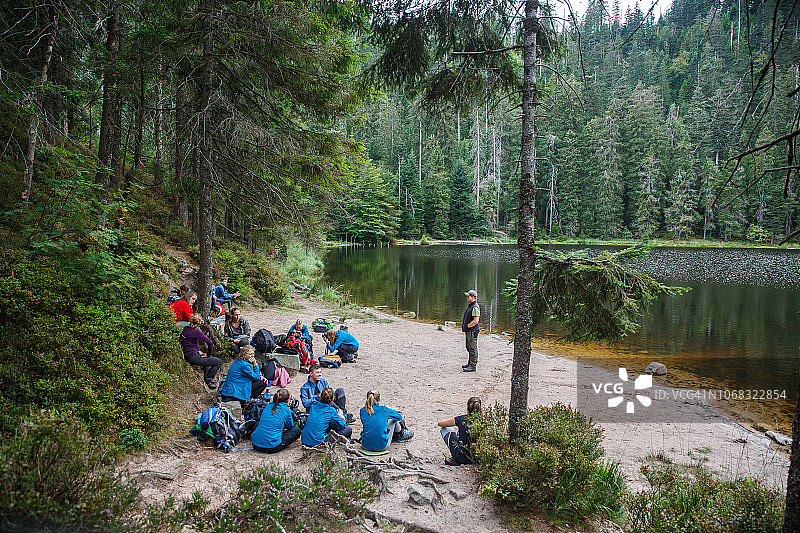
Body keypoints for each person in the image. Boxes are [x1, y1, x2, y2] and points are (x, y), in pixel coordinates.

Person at [179, 313, 222, 389]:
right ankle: (208, 380)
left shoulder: (185, 329)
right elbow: (210, 343)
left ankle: (207, 379)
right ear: (199, 323)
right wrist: (208, 354)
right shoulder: (196, 331)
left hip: (188, 354)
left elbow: (193, 342)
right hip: (193, 357)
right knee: (218, 362)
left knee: (207, 361)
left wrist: (198, 350)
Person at [251, 388, 301, 453]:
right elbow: (290, 427)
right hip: (272, 447)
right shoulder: (286, 411)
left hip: (255, 444)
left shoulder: (268, 405)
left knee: (260, 423)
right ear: (288, 400)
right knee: (297, 430)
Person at [438, 396, 481, 466]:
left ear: (467, 408)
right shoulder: (484, 421)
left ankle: (455, 458)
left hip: (460, 456)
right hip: (477, 458)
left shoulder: (462, 419)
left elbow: (440, 423)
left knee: (446, 429)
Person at [461, 289, 480, 372]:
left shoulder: (475, 307)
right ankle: (470, 363)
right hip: (469, 330)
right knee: (469, 347)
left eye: (468, 296)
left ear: (472, 297)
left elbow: (475, 321)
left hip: (472, 331)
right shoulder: (470, 305)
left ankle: (473, 366)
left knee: (472, 348)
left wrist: (468, 326)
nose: (467, 298)